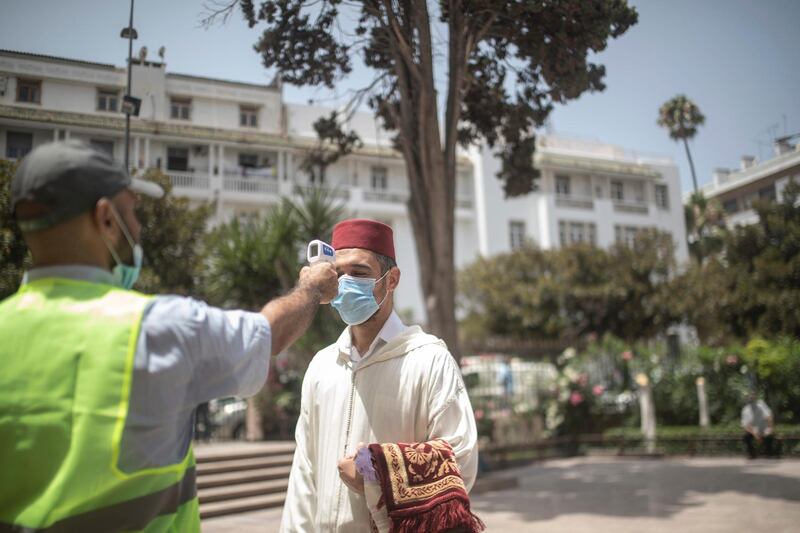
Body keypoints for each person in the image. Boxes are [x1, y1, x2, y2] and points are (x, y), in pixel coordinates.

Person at [0, 141, 338, 532]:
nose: (139, 226)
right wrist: (311, 288)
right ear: (106, 219)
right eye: (133, 211)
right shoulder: (161, 328)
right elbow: (268, 335)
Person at [280, 219, 480, 532]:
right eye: (339, 273)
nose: (346, 283)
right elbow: (305, 472)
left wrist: (376, 475)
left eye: (359, 272)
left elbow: (461, 459)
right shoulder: (322, 365)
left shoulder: (427, 359)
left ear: (392, 280)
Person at [741, 392, 777, 459]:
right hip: (754, 430)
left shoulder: (761, 404)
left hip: (764, 428)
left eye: (752, 397)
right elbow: (746, 426)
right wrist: (755, 435)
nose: (751, 399)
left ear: (755, 397)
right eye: (749, 398)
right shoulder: (745, 410)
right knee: (746, 437)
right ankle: (752, 454)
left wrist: (770, 428)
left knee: (769, 435)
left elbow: (769, 416)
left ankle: (768, 453)